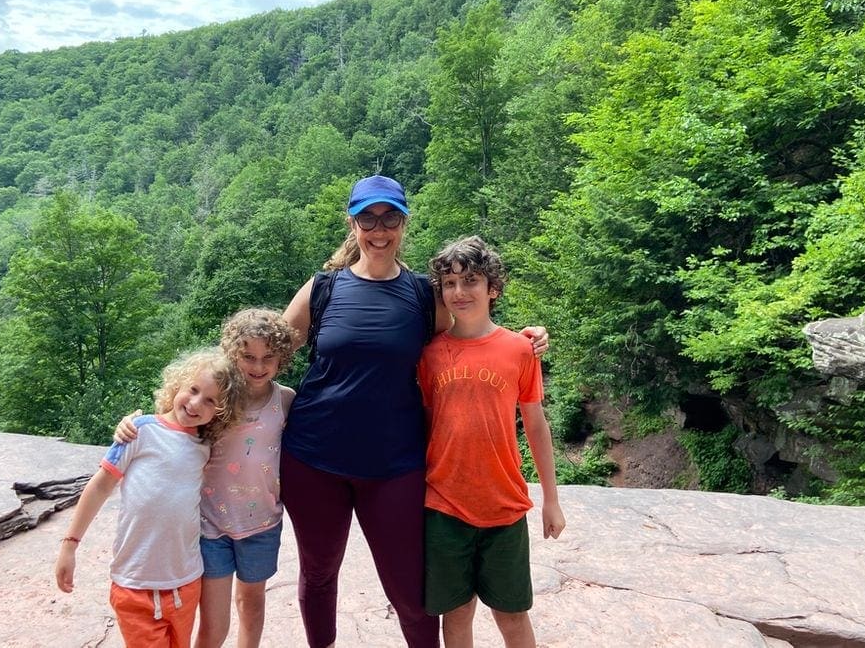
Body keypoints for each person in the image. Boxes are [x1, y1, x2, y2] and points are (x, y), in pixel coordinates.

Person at [280, 175, 549, 648]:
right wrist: (195, 405)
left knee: (410, 591)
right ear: (353, 222)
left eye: (390, 218)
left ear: (404, 223)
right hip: (313, 458)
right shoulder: (323, 288)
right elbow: (266, 352)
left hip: (395, 466)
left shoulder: (423, 296)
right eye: (368, 218)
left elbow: (466, 341)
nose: (378, 229)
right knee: (319, 573)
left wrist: (523, 339)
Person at [114, 308, 297, 648]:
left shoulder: (285, 400)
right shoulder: (218, 401)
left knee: (252, 604)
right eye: (248, 357)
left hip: (262, 525)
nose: (258, 366)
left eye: (267, 358)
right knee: (215, 624)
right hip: (211, 526)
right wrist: (131, 424)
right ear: (232, 354)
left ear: (281, 358)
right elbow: (172, 423)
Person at [417, 236, 565, 648]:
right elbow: (427, 423)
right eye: (449, 283)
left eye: (471, 281)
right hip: (443, 505)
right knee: (456, 614)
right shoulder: (428, 354)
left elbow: (536, 424)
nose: (459, 292)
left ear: (493, 288)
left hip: (504, 506)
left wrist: (551, 499)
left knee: (512, 615)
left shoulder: (520, 349)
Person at [55, 348, 242, 648]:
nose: (195, 403)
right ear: (177, 385)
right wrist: (70, 545)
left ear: (219, 412)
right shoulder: (139, 431)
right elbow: (101, 486)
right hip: (134, 584)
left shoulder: (205, 447)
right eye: (193, 390)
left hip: (186, 582)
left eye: (210, 401)